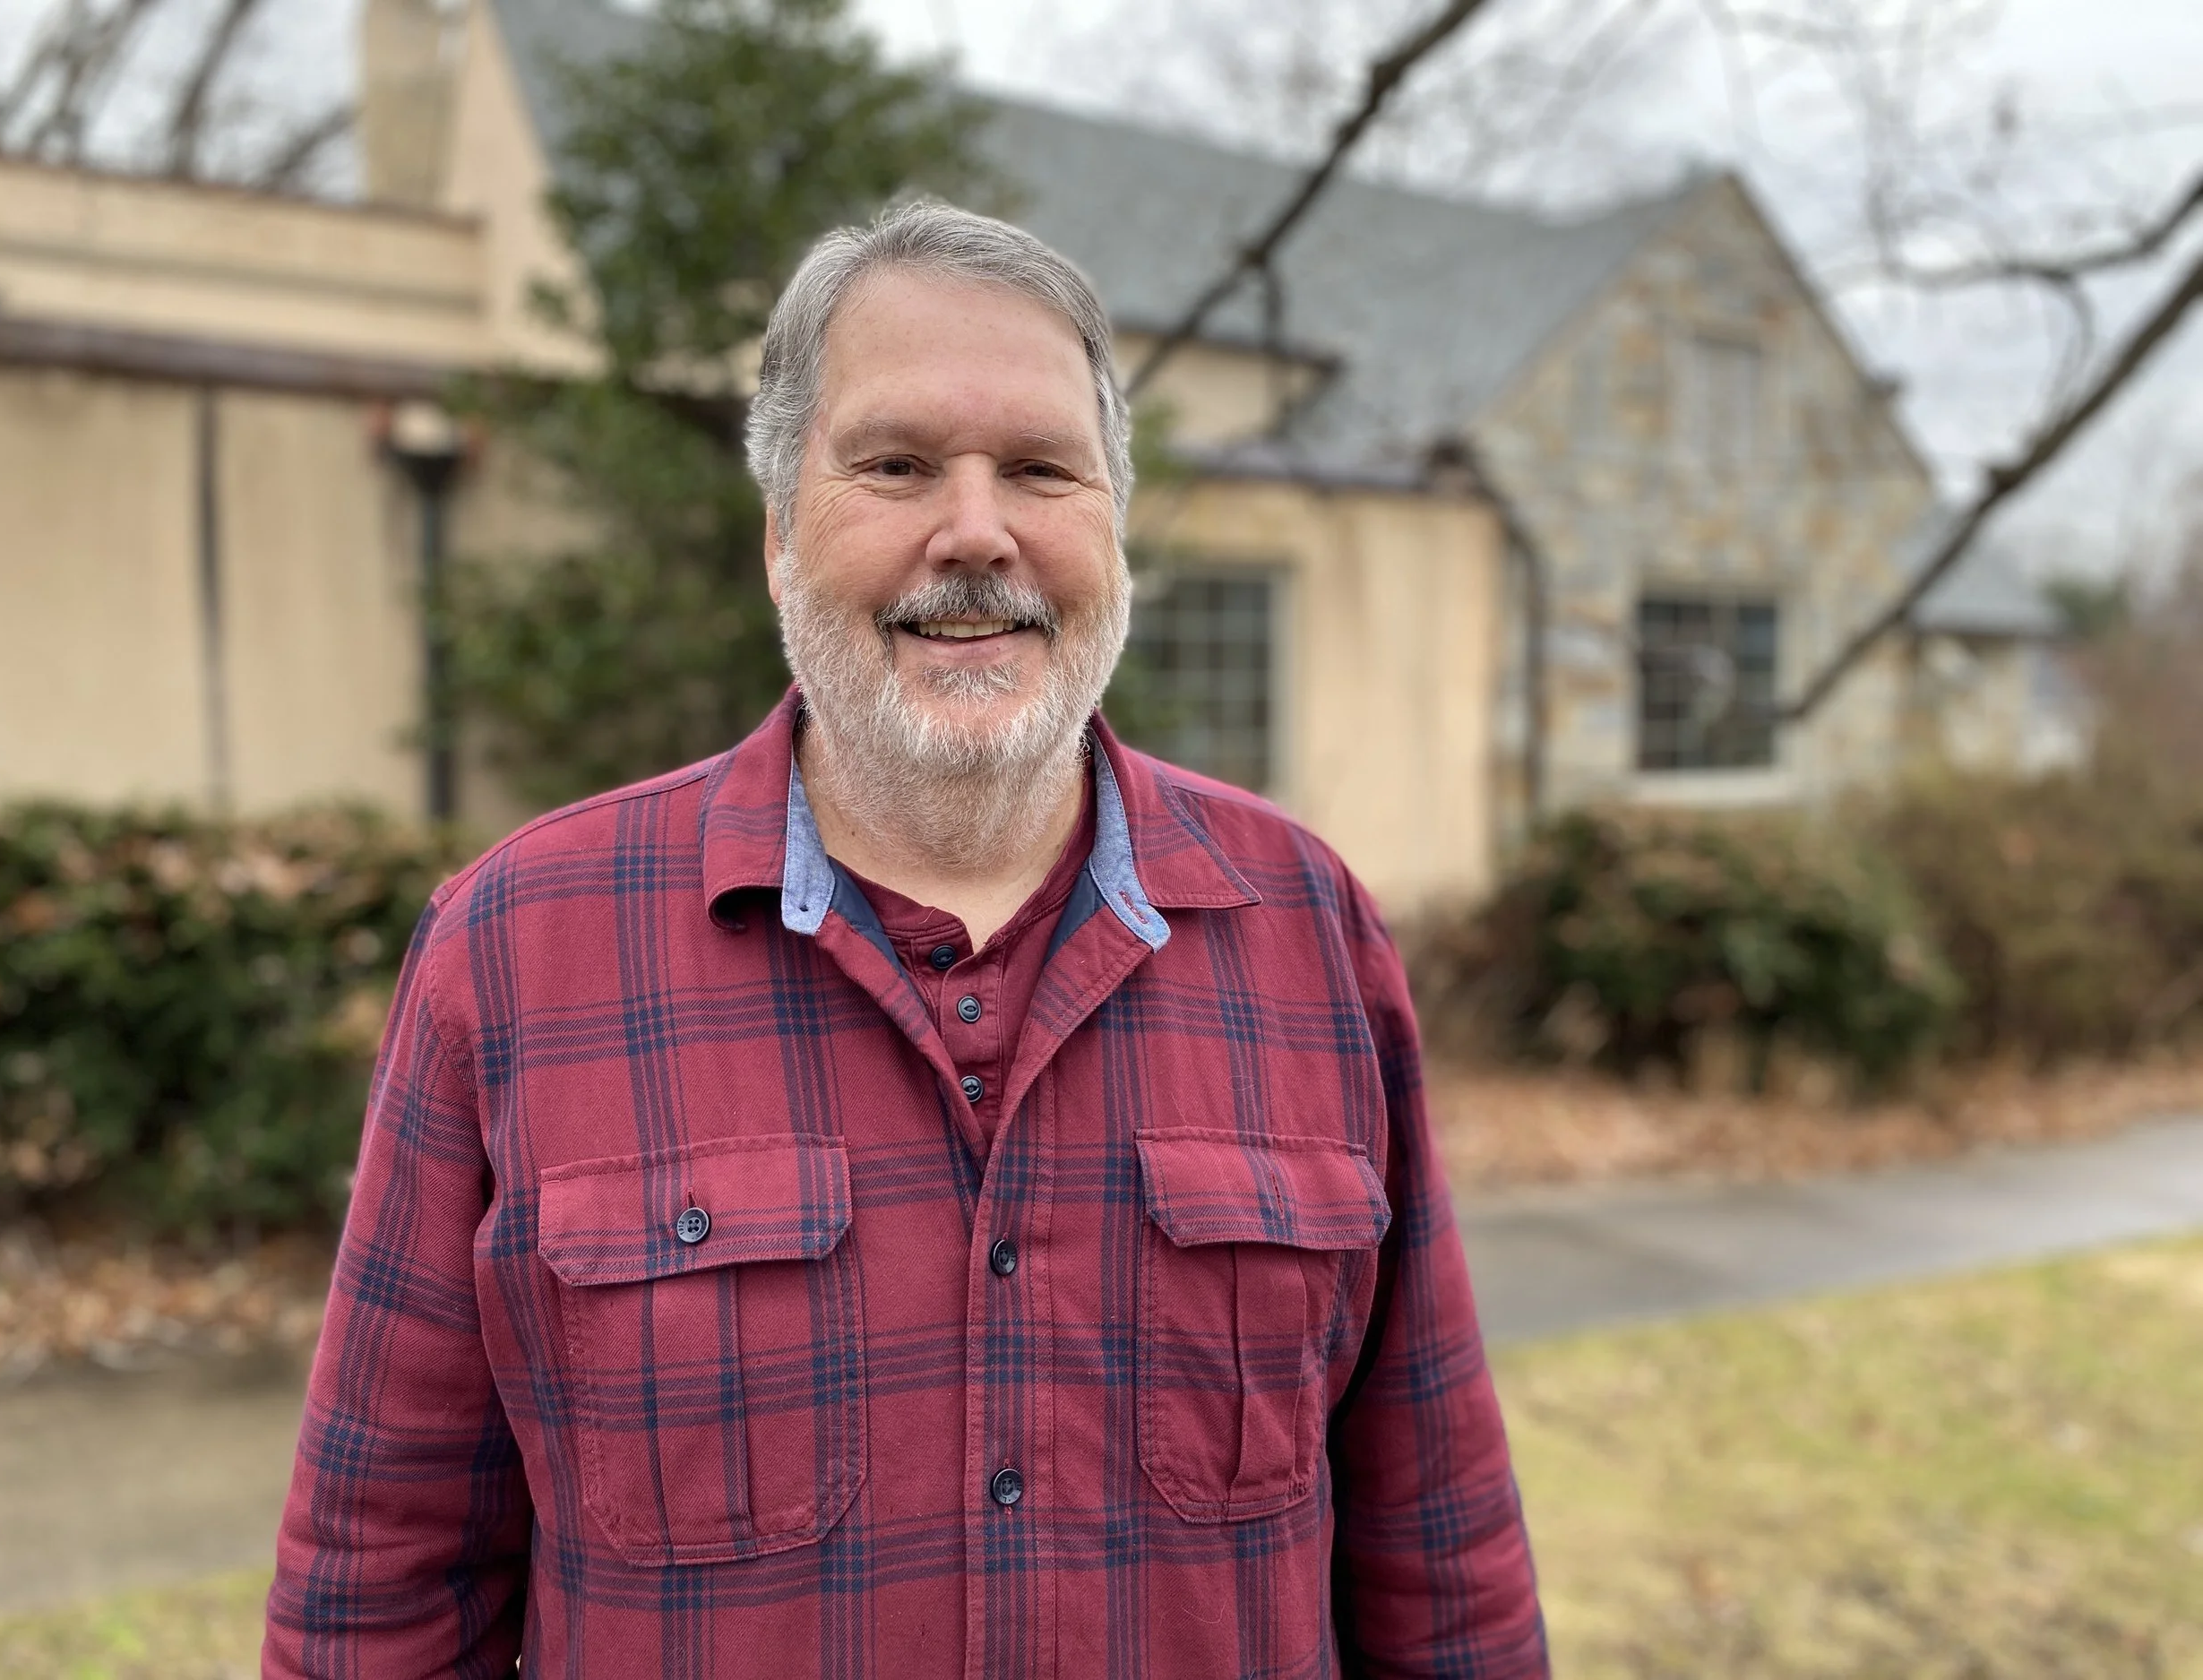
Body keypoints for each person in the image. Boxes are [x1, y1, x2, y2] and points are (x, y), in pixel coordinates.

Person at [264, 200, 1545, 1677]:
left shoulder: (1311, 932)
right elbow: (381, 1578)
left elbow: (1437, 1547)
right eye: (896, 465)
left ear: (1112, 533)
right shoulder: (514, 952)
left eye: (1043, 471)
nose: (979, 531)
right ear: (777, 538)